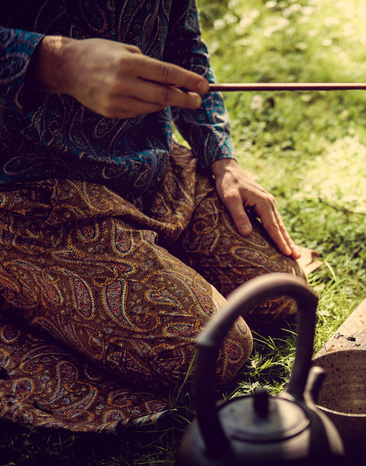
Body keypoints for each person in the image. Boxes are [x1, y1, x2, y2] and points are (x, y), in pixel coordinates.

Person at [0, 0, 304, 431]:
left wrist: (221, 158)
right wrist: (55, 61)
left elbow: (182, 41)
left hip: (146, 167)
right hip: (27, 193)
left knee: (281, 291)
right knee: (218, 352)